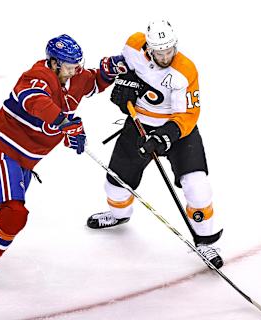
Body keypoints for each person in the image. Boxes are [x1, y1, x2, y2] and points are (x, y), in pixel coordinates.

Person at [0, 34, 127, 290]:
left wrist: (113, 68)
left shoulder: (75, 76)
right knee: (15, 213)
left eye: (77, 64)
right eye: (70, 65)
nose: (75, 70)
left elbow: (93, 81)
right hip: (1, 151)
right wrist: (65, 124)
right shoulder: (37, 76)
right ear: (53, 63)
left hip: (24, 163)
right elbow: (35, 101)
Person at [86, 20, 224, 268]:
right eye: (159, 52)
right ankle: (119, 216)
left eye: (169, 51)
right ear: (149, 48)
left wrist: (164, 137)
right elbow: (122, 67)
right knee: (115, 185)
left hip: (179, 130)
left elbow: (188, 116)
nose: (165, 56)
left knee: (197, 186)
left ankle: (206, 241)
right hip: (139, 123)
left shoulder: (185, 71)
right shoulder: (133, 45)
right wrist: (124, 84)